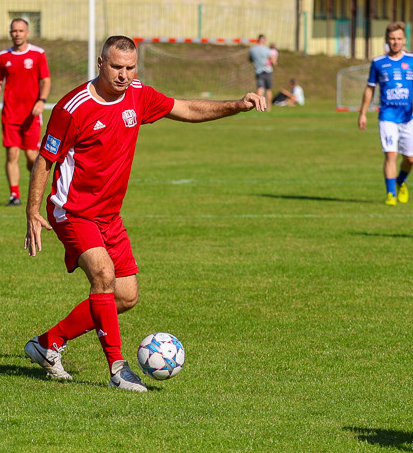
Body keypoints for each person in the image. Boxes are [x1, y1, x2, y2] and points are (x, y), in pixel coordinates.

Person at [23, 35, 266, 392]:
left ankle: (47, 344)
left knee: (125, 296)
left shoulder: (139, 94)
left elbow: (186, 109)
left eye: (130, 68)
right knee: (103, 276)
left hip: (109, 215)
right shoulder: (72, 108)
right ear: (100, 64)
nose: (124, 75)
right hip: (72, 210)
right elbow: (46, 158)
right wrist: (31, 210)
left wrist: (237, 105)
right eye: (117, 67)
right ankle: (118, 370)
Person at [357, 22, 413, 206]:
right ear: (386, 40)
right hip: (387, 116)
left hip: (407, 117)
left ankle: (401, 181)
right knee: (390, 155)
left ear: (404, 40)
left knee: (410, 159)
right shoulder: (378, 63)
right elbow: (370, 89)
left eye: (398, 39)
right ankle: (391, 195)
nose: (395, 42)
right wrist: (363, 113)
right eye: (392, 39)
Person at [0, 18, 51, 206]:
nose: (17, 34)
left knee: (32, 157)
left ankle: (35, 185)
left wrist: (41, 101)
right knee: (11, 155)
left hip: (31, 115)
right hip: (10, 114)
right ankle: (14, 195)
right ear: (10, 33)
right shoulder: (3, 57)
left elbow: (46, 81)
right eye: (14, 31)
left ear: (27, 33)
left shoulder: (38, 54)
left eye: (20, 31)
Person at [250, 34, 273, 111]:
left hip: (258, 71)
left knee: (260, 89)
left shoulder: (252, 50)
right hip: (268, 71)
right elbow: (273, 61)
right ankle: (268, 107)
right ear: (263, 40)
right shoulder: (267, 50)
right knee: (269, 90)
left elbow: (250, 59)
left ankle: (259, 107)